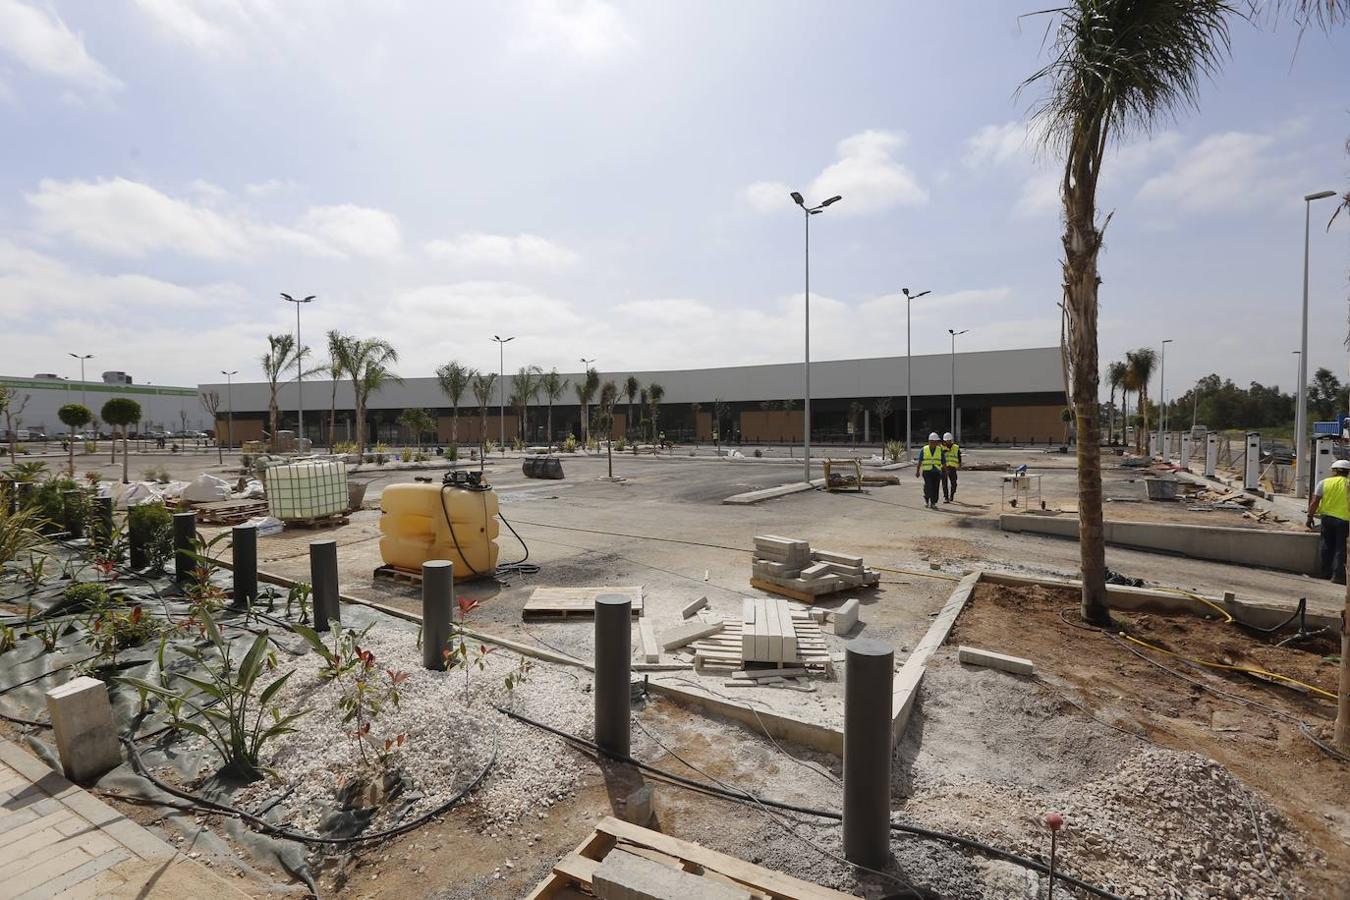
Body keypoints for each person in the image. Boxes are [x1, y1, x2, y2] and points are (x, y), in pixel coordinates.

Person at [1306, 458, 1350, 585]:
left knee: (1326, 545)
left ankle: (1325, 573)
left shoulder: (1324, 483)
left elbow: (1315, 501)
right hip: (1344, 520)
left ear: (1334, 471)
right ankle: (1337, 576)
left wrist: (1310, 517)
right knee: (1340, 548)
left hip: (1326, 519)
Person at [915, 432, 945, 509]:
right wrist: (917, 471)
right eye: (934, 442)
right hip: (927, 471)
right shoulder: (924, 449)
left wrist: (945, 472)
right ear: (930, 441)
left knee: (935, 487)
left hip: (936, 472)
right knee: (928, 486)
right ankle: (927, 499)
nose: (936, 443)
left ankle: (933, 502)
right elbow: (920, 461)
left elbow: (943, 461)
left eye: (936, 442)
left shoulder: (939, 450)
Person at [941, 431, 961, 503]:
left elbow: (959, 456)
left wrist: (959, 464)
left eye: (949, 441)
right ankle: (946, 497)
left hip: (952, 468)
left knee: (954, 483)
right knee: (944, 483)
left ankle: (951, 495)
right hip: (944, 467)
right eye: (946, 441)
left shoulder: (956, 447)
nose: (948, 442)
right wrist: (943, 452)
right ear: (944, 441)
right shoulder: (941, 448)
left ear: (951, 440)